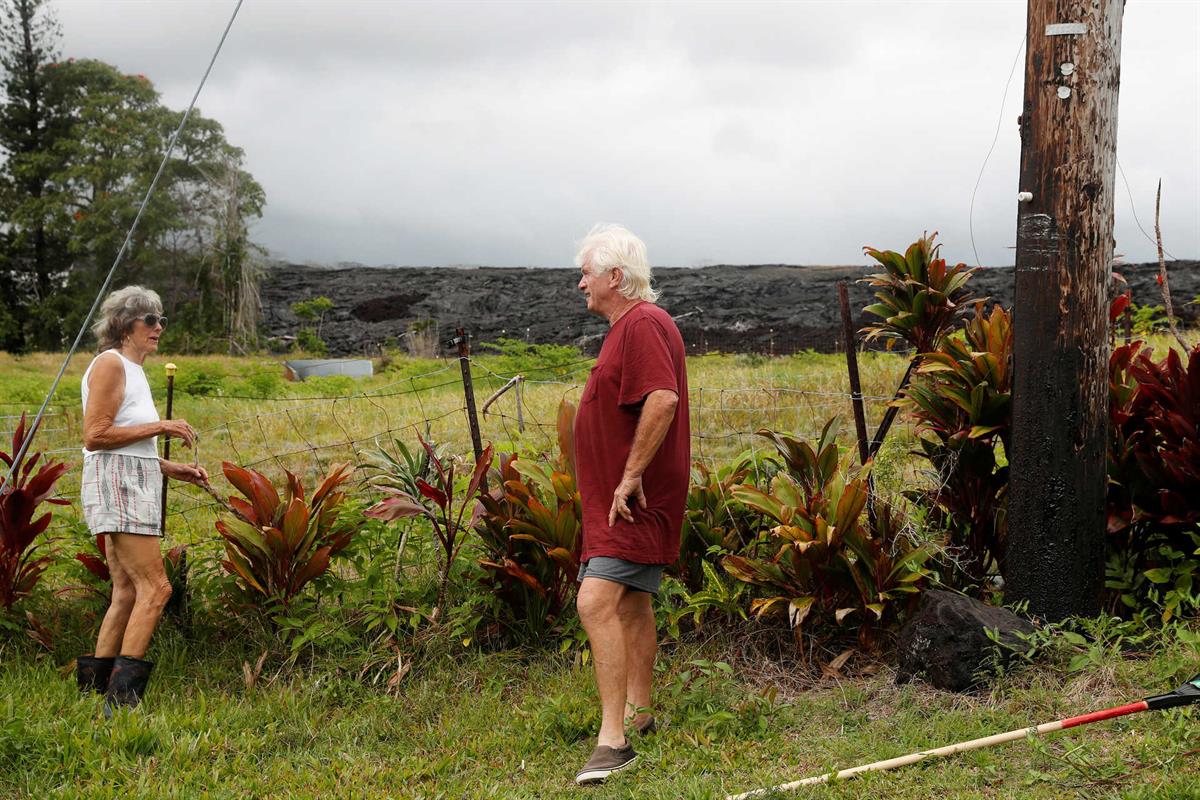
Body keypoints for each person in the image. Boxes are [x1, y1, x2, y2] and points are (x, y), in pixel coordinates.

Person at [571, 224, 690, 785]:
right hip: (622, 501)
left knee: (596, 603)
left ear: (615, 277)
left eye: (588, 274)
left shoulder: (640, 322)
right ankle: (640, 715)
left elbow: (662, 398)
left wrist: (628, 478)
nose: (581, 284)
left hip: (632, 501)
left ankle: (613, 740)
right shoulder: (631, 326)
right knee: (631, 605)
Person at [75, 286, 207, 716]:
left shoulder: (133, 369)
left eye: (161, 320)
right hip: (118, 483)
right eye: (149, 320)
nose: (158, 328)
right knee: (157, 587)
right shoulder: (111, 364)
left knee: (127, 590)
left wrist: (171, 469)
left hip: (130, 476)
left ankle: (93, 693)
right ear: (124, 325)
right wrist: (162, 427)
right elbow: (96, 435)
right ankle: (122, 701)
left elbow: (126, 443)